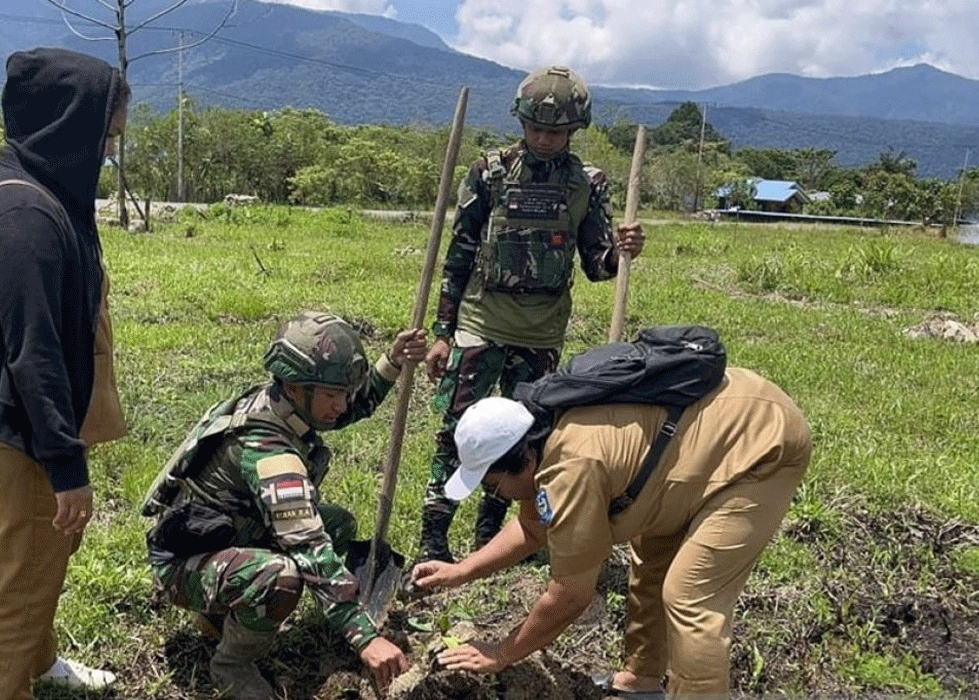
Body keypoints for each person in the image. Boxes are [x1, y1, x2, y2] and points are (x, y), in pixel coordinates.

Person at [411, 368, 812, 698]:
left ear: (525, 460)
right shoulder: (540, 438)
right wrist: (461, 571)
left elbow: (570, 593)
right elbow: (532, 528)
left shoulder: (571, 468)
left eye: (493, 485)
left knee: (689, 596)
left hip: (760, 444)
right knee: (652, 562)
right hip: (697, 447)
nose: (496, 495)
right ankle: (641, 682)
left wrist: (503, 652)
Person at [0, 48, 131, 700]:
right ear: (68, 127)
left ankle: (42, 661)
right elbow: (35, 352)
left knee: (45, 555)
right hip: (19, 419)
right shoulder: (28, 217)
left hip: (27, 411)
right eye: (106, 136)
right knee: (21, 575)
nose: (109, 151)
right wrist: (67, 468)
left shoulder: (48, 193)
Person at [418, 66, 647, 563]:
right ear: (520, 123)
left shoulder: (588, 184)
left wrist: (620, 252)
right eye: (536, 128)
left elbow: (597, 266)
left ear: (574, 131)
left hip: (542, 332)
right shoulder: (488, 173)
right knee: (459, 427)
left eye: (557, 131)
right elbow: (457, 258)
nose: (545, 139)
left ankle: (491, 534)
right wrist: (442, 333)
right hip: (480, 324)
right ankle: (433, 535)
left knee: (524, 436)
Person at [146, 312, 424, 700]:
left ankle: (220, 613)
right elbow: (309, 547)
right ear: (295, 388)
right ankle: (231, 663)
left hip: (222, 535)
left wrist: (391, 362)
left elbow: (346, 408)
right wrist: (364, 637)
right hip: (181, 564)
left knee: (339, 523)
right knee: (281, 577)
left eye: (345, 392)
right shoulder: (269, 451)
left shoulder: (281, 402)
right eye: (332, 395)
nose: (342, 405)